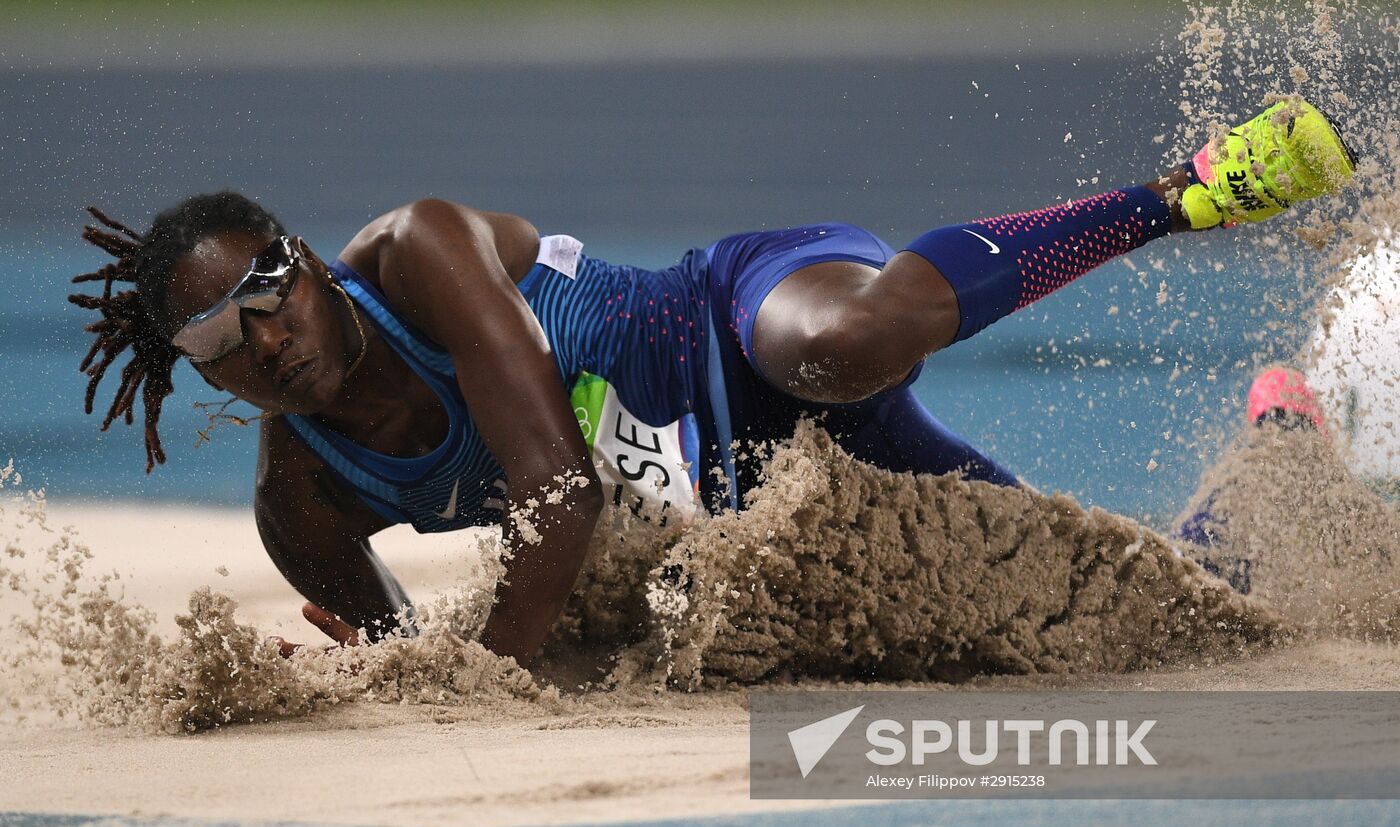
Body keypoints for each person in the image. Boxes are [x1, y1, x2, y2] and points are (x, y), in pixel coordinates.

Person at [68, 98, 1355, 666]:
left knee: (835, 342)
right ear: (196, 374)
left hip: (740, 321)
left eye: (267, 289)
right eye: (218, 341)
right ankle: (1279, 458)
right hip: (780, 496)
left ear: (300, 259)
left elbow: (556, 501)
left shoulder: (414, 252)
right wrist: (388, 674)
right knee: (1148, 609)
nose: (266, 335)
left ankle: (1181, 192)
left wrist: (488, 675)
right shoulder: (305, 505)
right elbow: (419, 660)